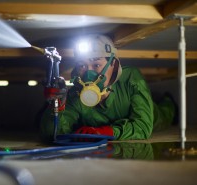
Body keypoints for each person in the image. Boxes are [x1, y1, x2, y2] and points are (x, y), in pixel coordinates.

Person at [39, 34, 176, 142]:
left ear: (114, 65)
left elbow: (143, 127)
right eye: (82, 66)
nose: (89, 73)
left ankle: (168, 100)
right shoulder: (76, 93)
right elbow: (53, 134)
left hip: (157, 116)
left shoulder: (130, 79)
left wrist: (107, 132)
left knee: (166, 114)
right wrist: (58, 106)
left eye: (96, 65)